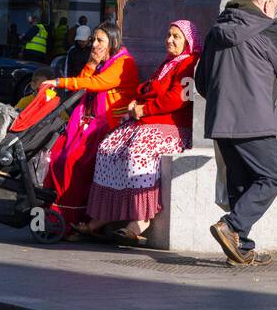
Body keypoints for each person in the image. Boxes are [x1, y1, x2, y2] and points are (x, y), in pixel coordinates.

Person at [194, 0, 277, 267]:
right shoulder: (265, 28)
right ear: (265, 5)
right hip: (254, 121)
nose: (274, 12)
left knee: (241, 183)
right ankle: (231, 226)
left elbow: (202, 81)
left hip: (220, 122)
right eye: (274, 6)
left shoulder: (216, 31)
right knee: (272, 177)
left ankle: (242, 248)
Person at [77, 20, 201, 245]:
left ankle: (140, 220)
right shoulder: (169, 62)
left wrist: (145, 108)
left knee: (138, 151)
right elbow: (148, 87)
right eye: (168, 34)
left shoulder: (188, 63)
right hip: (146, 121)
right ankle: (105, 214)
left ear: (188, 42)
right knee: (108, 148)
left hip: (172, 127)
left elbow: (177, 98)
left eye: (176, 36)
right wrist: (137, 100)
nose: (169, 40)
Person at [40, 22, 139, 236]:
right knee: (57, 155)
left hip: (109, 126)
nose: (94, 44)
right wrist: (92, 62)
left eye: (99, 40)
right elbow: (87, 80)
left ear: (112, 42)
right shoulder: (105, 61)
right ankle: (55, 217)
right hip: (90, 123)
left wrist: (58, 81)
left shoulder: (124, 63)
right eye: (94, 39)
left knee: (73, 160)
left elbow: (96, 84)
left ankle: (71, 221)